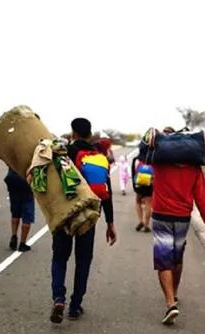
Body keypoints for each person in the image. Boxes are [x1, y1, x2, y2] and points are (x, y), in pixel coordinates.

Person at [50, 118, 117, 323]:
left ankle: (59, 298)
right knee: (83, 260)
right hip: (88, 215)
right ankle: (75, 305)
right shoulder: (99, 156)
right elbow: (106, 191)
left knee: (60, 258)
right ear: (89, 134)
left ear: (73, 133)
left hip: (65, 213)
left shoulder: (64, 153)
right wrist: (110, 223)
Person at [151, 126, 205, 326]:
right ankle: (175, 295)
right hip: (182, 218)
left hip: (161, 215)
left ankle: (170, 303)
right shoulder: (194, 168)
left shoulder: (158, 163)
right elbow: (202, 197)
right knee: (177, 258)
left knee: (163, 260)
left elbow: (148, 148)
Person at [4, 167, 34, 252]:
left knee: (15, 213)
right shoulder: (30, 154)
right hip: (26, 181)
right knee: (27, 215)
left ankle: (14, 235)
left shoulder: (12, 153)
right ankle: (22, 243)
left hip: (13, 180)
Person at [132, 155, 153, 232]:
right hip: (149, 184)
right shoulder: (153, 160)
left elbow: (135, 173)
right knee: (148, 204)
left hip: (140, 185)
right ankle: (147, 225)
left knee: (138, 202)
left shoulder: (139, 161)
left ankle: (141, 221)